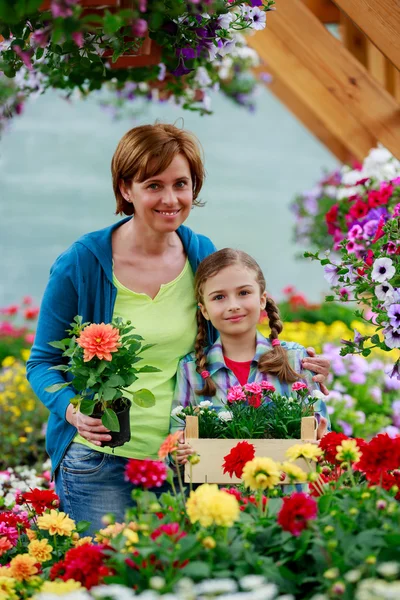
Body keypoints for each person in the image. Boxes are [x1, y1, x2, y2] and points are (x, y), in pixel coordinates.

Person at [26, 124, 330, 534]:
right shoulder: (83, 263)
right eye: (153, 185)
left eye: (181, 184)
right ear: (126, 189)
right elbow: (42, 362)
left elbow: (236, 335)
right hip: (99, 460)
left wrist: (296, 363)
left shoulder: (200, 254)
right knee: (106, 584)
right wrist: (72, 410)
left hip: (188, 462)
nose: (170, 199)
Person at [172, 248, 329, 466]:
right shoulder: (191, 369)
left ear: (262, 299)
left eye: (244, 293)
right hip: (219, 495)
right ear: (204, 310)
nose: (233, 305)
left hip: (288, 493)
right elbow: (177, 439)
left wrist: (320, 445)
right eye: (219, 297)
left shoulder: (297, 359)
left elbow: (322, 433)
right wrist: (179, 452)